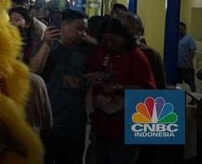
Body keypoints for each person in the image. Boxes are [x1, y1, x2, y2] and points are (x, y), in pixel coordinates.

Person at [86, 18, 156, 164]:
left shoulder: (137, 57)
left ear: (125, 38)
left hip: (125, 127)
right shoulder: (102, 52)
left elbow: (149, 91)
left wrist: (118, 88)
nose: (109, 44)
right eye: (105, 40)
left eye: (114, 40)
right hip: (100, 124)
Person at [29, 9, 91, 164]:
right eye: (79, 29)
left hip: (75, 127)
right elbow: (33, 73)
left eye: (85, 30)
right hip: (51, 125)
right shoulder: (49, 47)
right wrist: (47, 43)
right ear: (63, 26)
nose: (83, 34)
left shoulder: (85, 51)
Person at [178, 21, 197, 90]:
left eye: (181, 29)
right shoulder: (176, 38)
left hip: (187, 67)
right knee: (178, 85)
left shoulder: (189, 39)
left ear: (185, 29)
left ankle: (194, 99)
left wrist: (189, 63)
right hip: (178, 67)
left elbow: (192, 52)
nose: (180, 31)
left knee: (191, 85)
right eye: (178, 29)